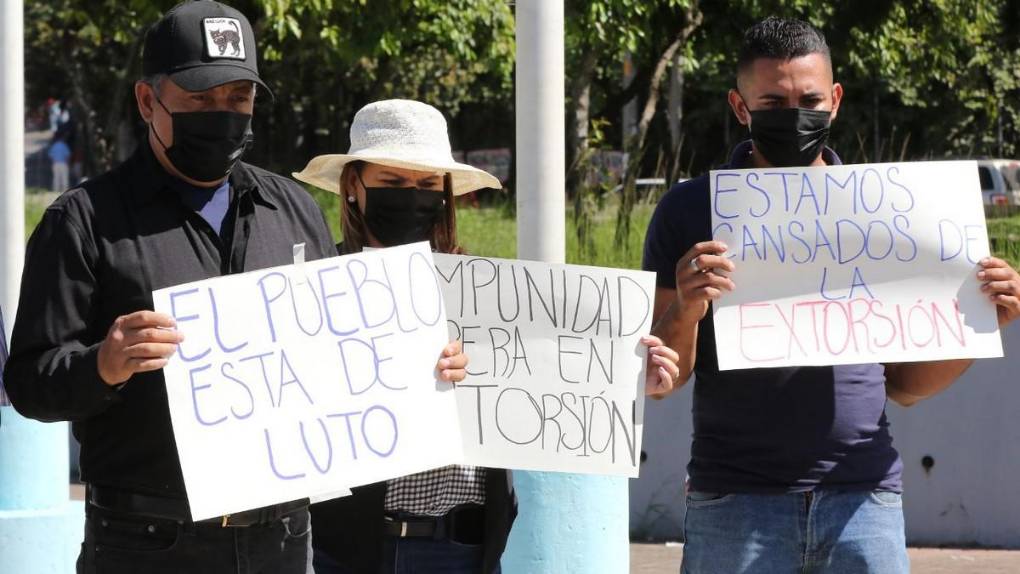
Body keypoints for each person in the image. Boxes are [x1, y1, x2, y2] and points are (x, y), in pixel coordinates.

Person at [3, 4, 467, 573]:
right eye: (200, 98)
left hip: (283, 539)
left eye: (238, 99)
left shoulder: (293, 210)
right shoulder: (83, 220)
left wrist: (421, 367)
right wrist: (105, 363)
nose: (222, 113)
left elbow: (335, 358)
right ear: (149, 101)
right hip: (147, 542)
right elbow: (28, 382)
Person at [642, 17, 1020, 574]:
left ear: (836, 99)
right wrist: (688, 307)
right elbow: (662, 380)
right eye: (772, 101)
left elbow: (907, 388)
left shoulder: (891, 212)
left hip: (863, 498)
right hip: (735, 503)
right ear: (740, 106)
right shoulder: (688, 210)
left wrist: (982, 320)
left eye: (810, 99)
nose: (794, 115)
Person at [294, 99, 683, 573]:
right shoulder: (316, 290)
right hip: (347, 551)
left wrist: (627, 381)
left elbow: (550, 371)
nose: (412, 197)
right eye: (393, 183)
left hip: (462, 549)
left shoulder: (489, 293)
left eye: (426, 185)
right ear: (354, 186)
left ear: (445, 193)